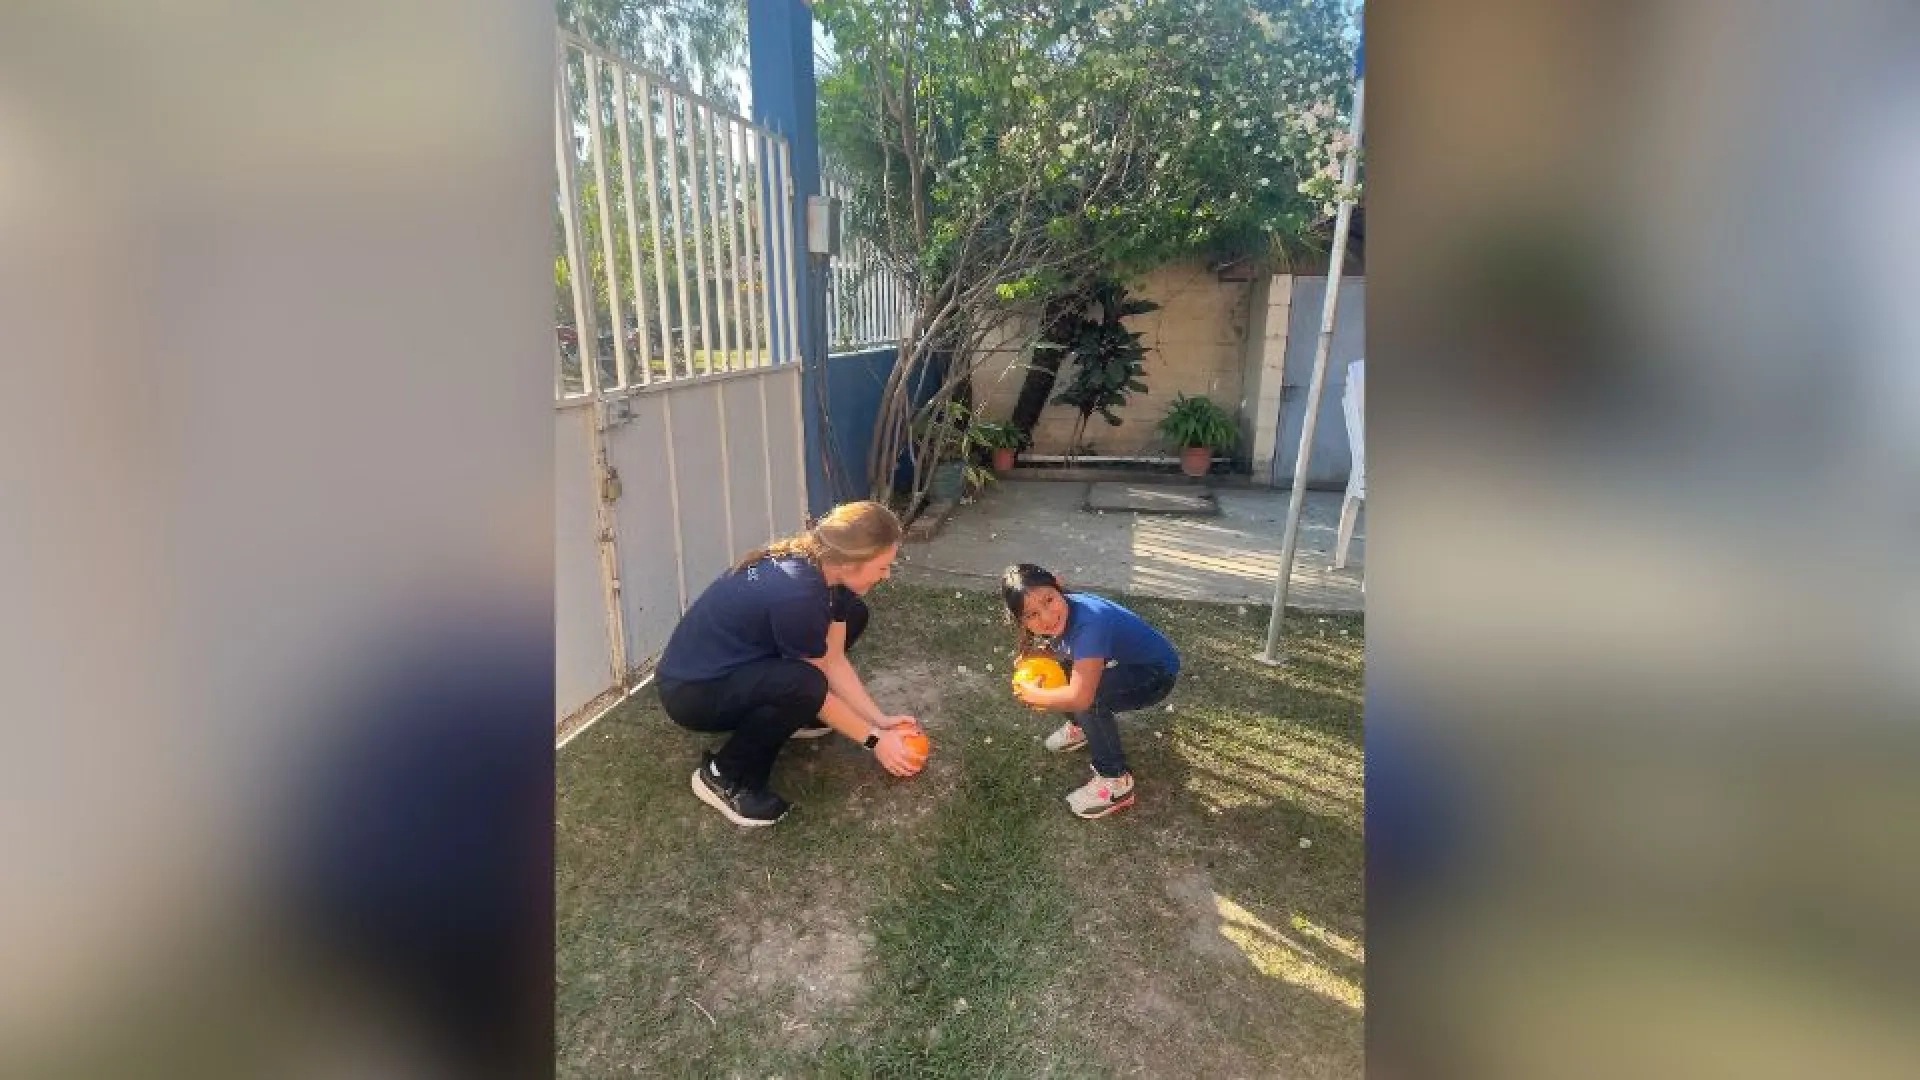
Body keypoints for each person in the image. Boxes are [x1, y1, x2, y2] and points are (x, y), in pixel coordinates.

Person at [654, 500, 922, 826]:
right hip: (692, 692)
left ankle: (796, 715)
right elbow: (816, 682)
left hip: (731, 665)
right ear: (853, 561)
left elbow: (832, 660)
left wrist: (879, 721)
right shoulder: (798, 595)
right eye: (883, 567)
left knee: (852, 618)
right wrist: (875, 741)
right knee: (804, 685)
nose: (887, 575)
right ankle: (724, 776)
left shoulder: (829, 572)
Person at [1003, 563, 1181, 819]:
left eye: (1048, 600)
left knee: (1090, 699)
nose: (1047, 617)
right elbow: (1067, 648)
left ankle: (1116, 782)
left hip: (1156, 674)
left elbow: (1080, 696)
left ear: (1058, 584)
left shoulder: (1091, 624)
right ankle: (1084, 728)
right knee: (1067, 675)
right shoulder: (1067, 610)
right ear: (1020, 619)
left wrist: (1034, 695)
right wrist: (1042, 655)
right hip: (1131, 663)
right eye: (1031, 615)